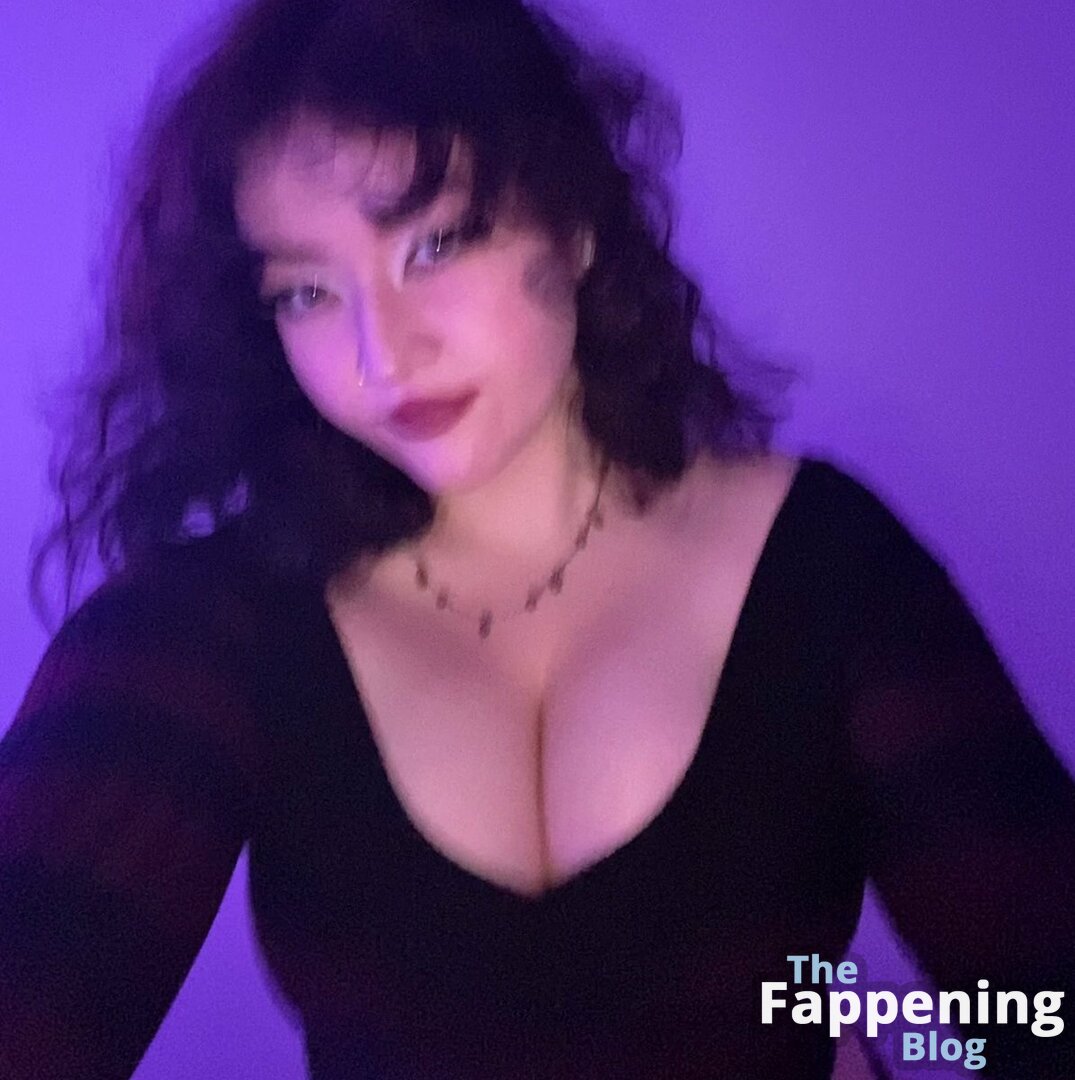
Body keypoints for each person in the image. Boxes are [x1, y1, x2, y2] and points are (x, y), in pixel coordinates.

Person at [2, 0, 1073, 1077]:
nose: (383, 353)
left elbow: (1038, 1011)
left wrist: (875, 1038)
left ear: (574, 224)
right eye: (307, 293)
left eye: (435, 245)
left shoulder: (822, 563)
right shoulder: (210, 626)